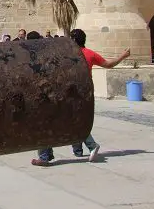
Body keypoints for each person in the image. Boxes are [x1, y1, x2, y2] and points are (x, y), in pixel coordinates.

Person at [32, 29, 130, 166]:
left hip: (67, 93)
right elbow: (108, 64)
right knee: (71, 121)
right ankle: (78, 149)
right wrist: (123, 56)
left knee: (49, 121)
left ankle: (47, 155)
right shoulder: (89, 54)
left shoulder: (66, 54)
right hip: (82, 92)